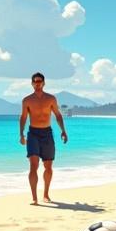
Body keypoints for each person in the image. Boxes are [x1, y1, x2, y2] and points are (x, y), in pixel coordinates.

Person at [19, 73, 68, 204]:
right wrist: (21, 134)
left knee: (48, 166)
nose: (37, 83)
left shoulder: (51, 99)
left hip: (47, 134)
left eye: (40, 81)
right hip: (33, 134)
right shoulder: (27, 100)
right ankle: (34, 197)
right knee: (33, 166)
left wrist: (63, 131)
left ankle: (46, 194)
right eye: (35, 82)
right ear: (32, 84)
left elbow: (58, 115)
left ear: (44, 83)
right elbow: (23, 117)